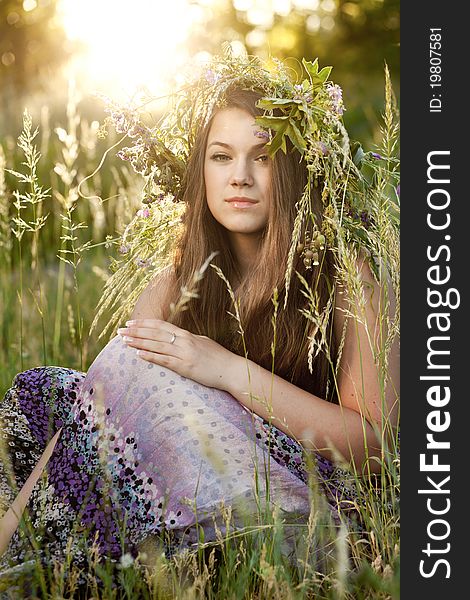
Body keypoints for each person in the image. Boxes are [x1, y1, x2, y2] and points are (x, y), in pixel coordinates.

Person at [0, 51, 399, 585]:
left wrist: (228, 372)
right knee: (54, 393)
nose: (240, 176)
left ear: (295, 165)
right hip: (184, 501)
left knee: (136, 377)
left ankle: (53, 565)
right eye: (220, 156)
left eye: (262, 156)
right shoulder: (183, 274)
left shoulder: (350, 275)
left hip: (307, 507)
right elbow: (112, 397)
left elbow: (376, 449)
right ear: (200, 170)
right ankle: (26, 562)